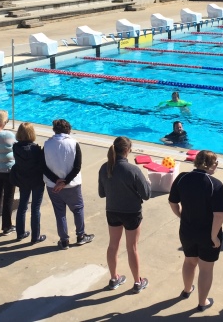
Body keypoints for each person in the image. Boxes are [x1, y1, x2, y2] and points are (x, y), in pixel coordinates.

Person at [168, 150, 223, 312]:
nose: (216, 167)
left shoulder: (182, 178)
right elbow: (219, 215)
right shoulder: (216, 184)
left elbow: (173, 202)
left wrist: (181, 216)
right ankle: (202, 302)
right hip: (207, 233)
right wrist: (214, 236)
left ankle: (187, 290)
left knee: (189, 261)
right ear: (209, 165)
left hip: (187, 230)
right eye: (216, 164)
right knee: (206, 268)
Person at [98, 136, 151, 293]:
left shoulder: (104, 168)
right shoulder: (133, 170)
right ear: (127, 150)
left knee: (113, 245)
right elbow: (146, 194)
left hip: (112, 211)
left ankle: (114, 278)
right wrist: (147, 182)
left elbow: (102, 193)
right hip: (131, 213)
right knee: (132, 248)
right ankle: (137, 281)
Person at [43, 119, 95, 250]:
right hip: (72, 185)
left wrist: (57, 181)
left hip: (53, 185)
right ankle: (80, 236)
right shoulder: (74, 143)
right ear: (69, 130)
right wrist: (65, 181)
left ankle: (64, 241)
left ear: (54, 130)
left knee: (60, 213)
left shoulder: (47, 144)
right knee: (78, 210)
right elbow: (77, 167)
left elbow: (43, 167)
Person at [12, 122, 47, 243]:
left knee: (22, 206)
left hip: (23, 179)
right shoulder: (36, 149)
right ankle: (35, 236)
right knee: (35, 208)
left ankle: (20, 233)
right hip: (37, 181)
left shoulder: (16, 147)